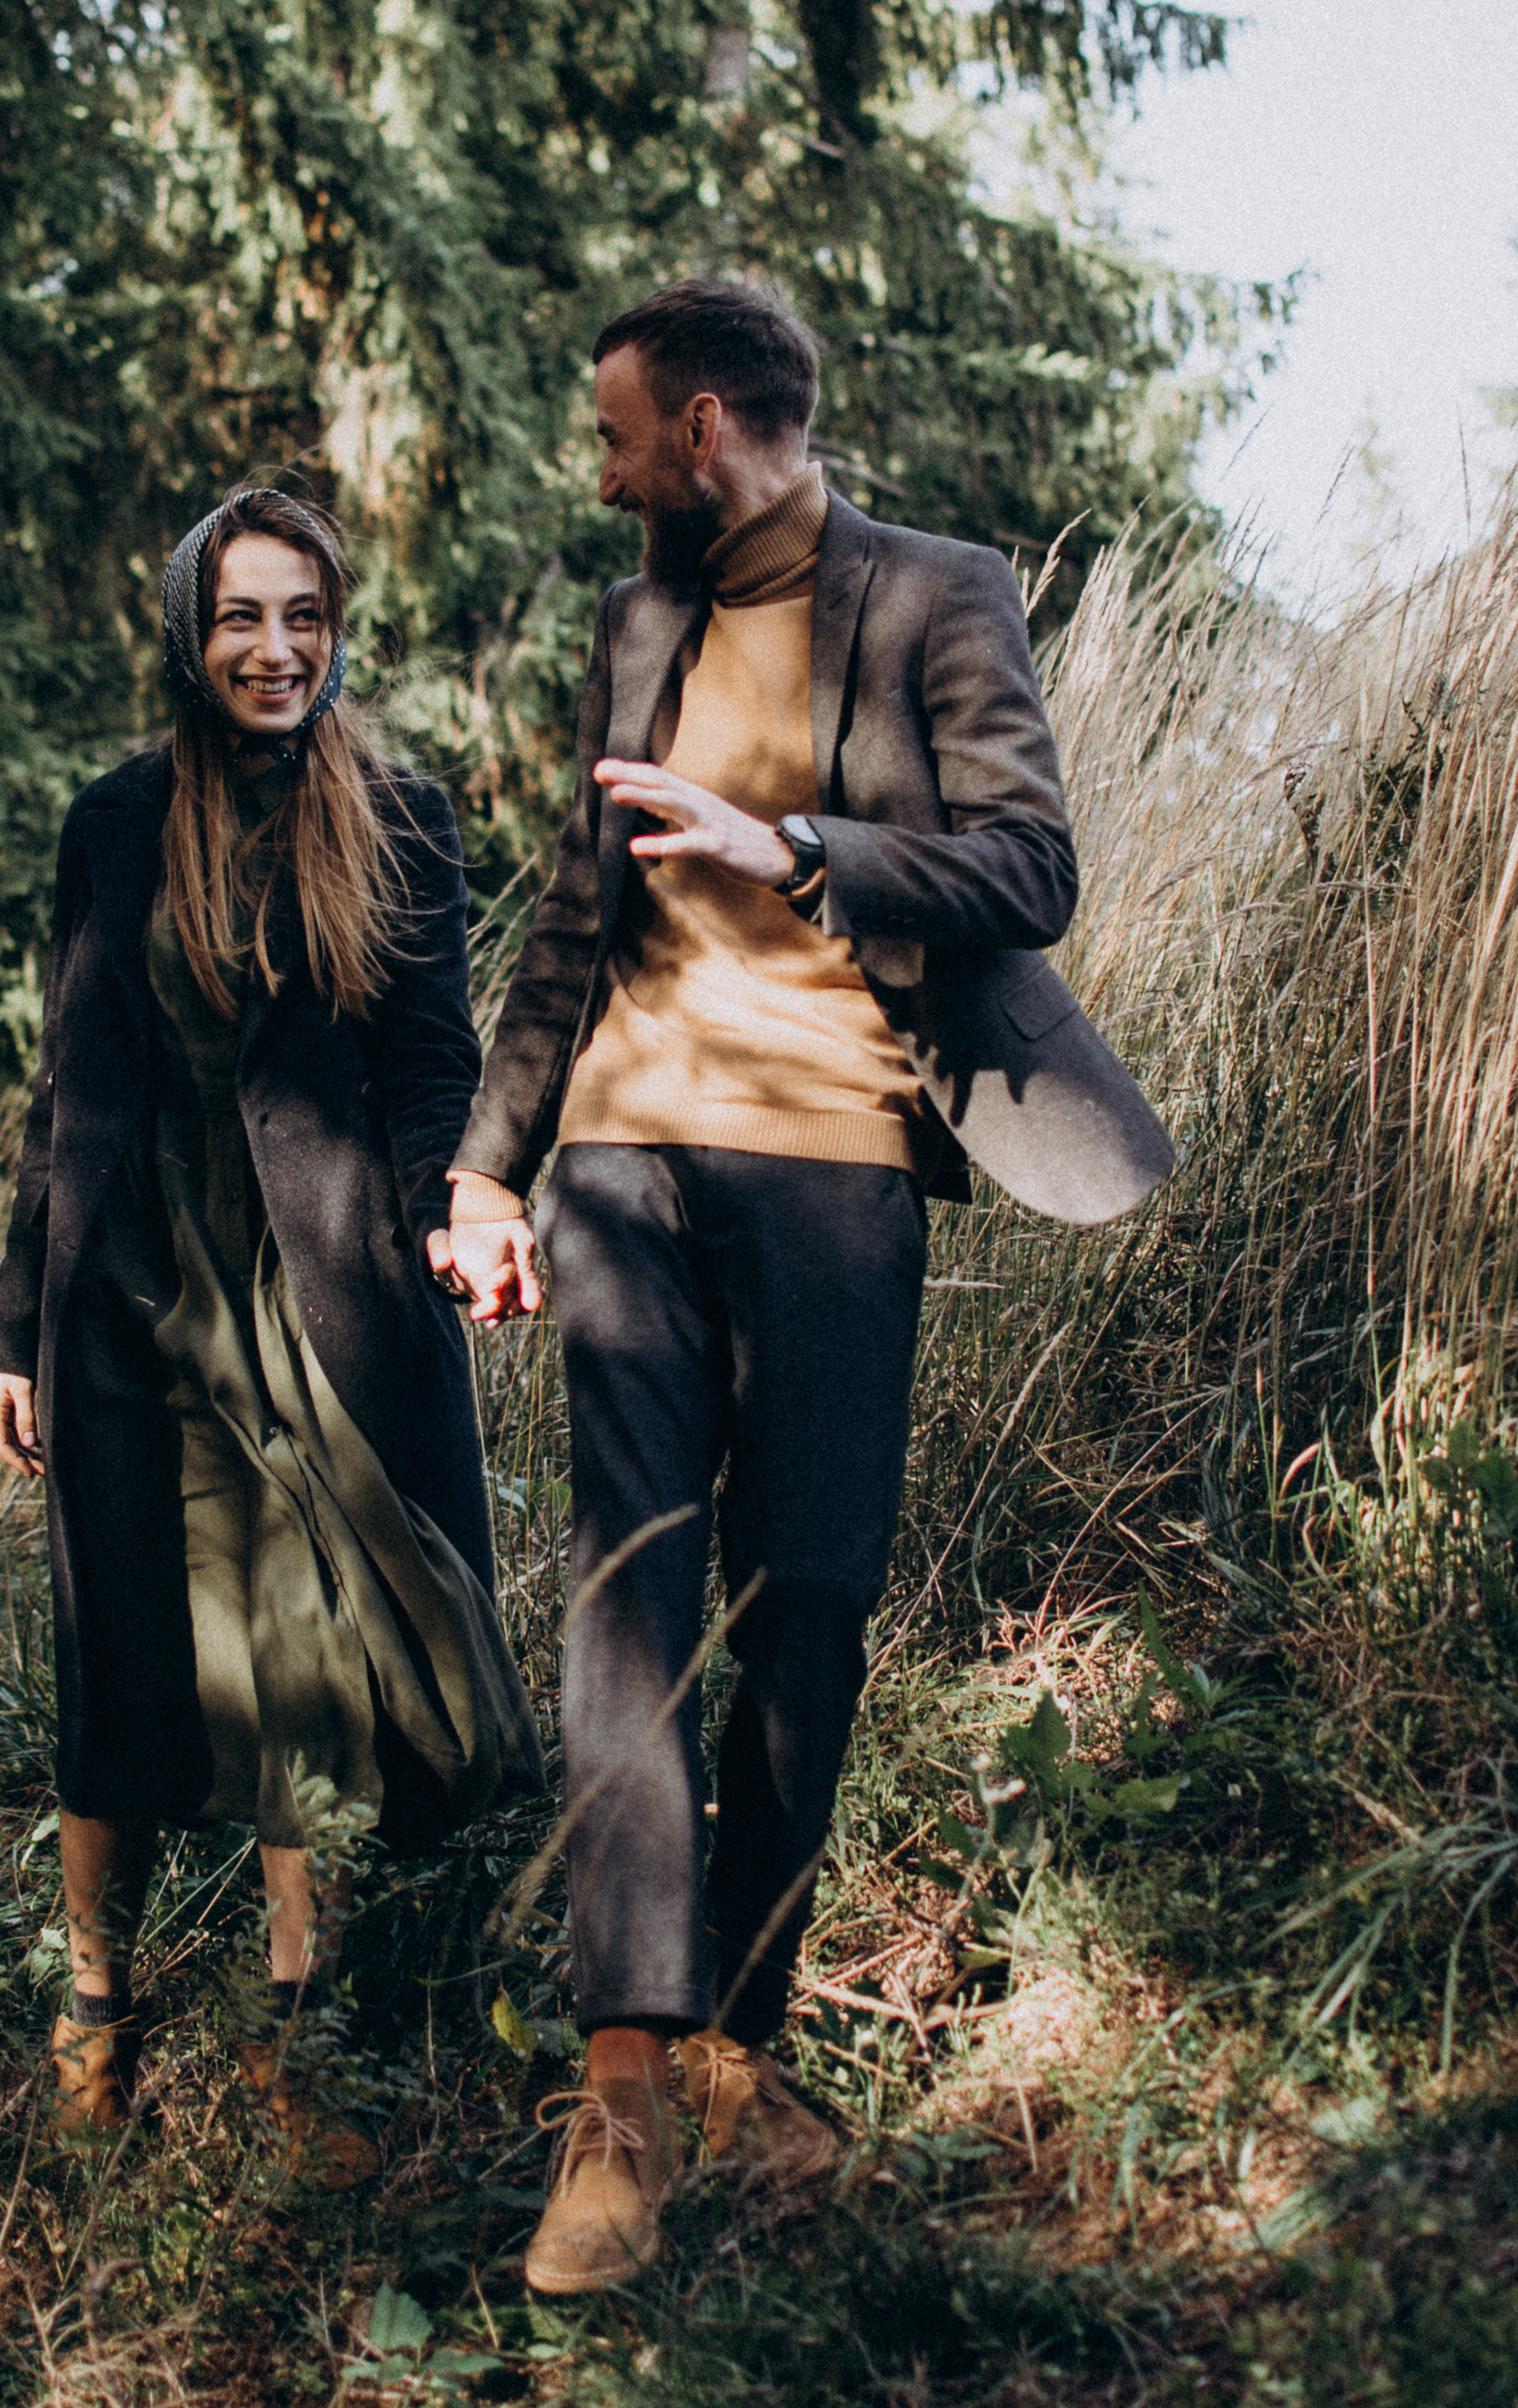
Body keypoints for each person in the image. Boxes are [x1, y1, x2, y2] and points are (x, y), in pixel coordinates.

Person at [428, 277, 1173, 2291]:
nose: (597, 473)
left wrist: (795, 843)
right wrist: (489, 1165)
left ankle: (739, 2037)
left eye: (613, 435)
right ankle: (619, 2090)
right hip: (623, 1155)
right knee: (630, 1589)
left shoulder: (936, 590)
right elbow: (576, 910)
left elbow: (1027, 863)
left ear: (697, 428)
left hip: (840, 1155)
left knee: (813, 1599)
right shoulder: (636, 619)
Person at [0, 486, 540, 2170]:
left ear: (337, 625)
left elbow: (439, 1054)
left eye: (304, 614)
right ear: (188, 631)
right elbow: (64, 1090)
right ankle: (97, 2007)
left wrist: (467, 1197)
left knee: (307, 1658)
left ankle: (293, 2042)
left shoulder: (403, 819)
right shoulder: (111, 821)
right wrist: (17, 1321)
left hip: (319, 1292)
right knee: (127, 1660)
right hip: (130, 1300)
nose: (276, 647)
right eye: (242, 615)